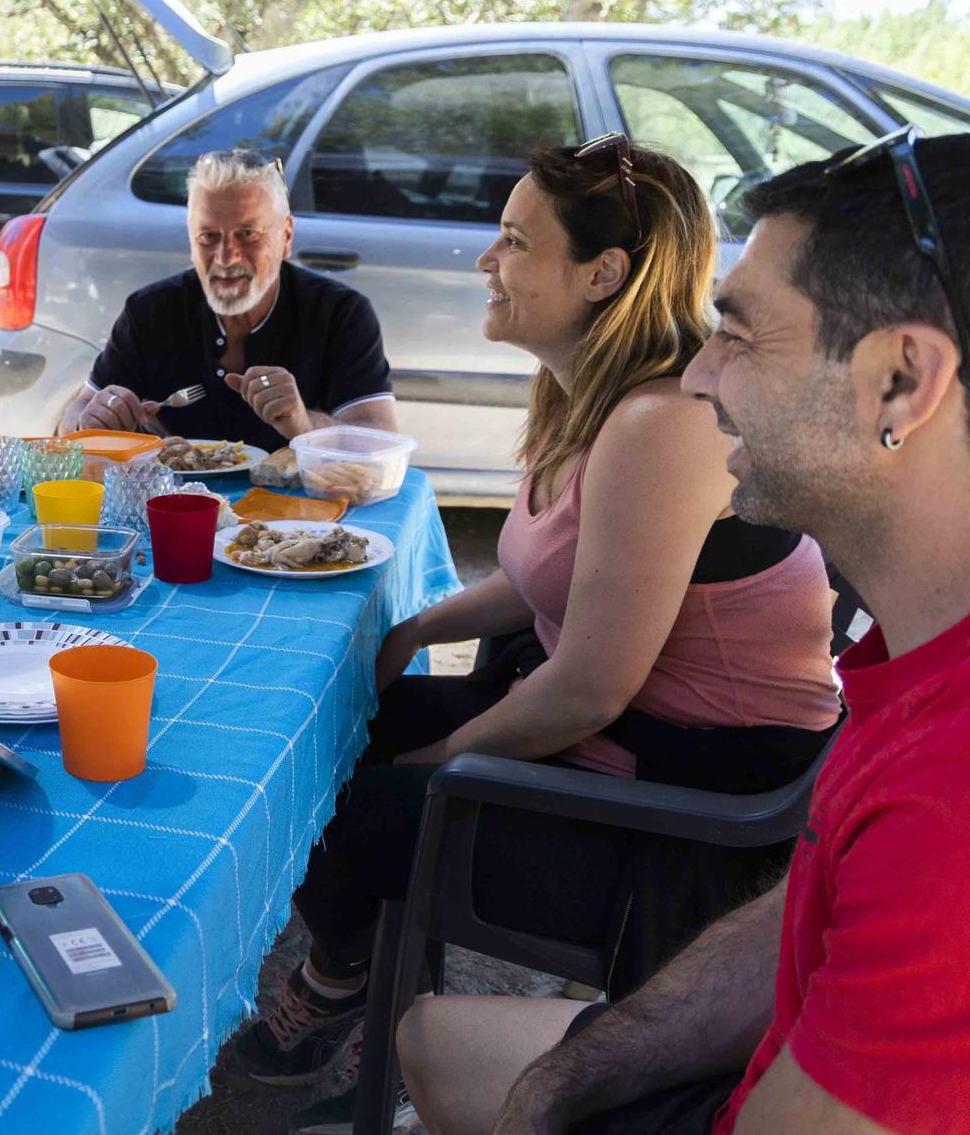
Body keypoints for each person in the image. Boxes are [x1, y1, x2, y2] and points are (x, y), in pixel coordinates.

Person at [232, 137, 842, 1103]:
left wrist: (444, 765)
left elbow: (593, 684)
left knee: (349, 802)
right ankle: (352, 974)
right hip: (617, 736)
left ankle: (344, 991)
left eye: (514, 241)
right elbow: (549, 577)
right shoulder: (587, 390)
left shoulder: (661, 420)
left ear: (602, 273)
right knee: (324, 735)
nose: (487, 260)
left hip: (697, 810)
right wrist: (414, 631)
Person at [397, 130, 970, 1135]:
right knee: (433, 1044)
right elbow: (806, 909)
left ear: (898, 381)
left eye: (739, 335)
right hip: (757, 1043)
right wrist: (571, 1075)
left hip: (686, 821)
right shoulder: (905, 667)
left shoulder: (944, 802)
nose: (697, 377)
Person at [57, 149, 397, 449]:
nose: (226, 256)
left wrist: (304, 425)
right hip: (171, 510)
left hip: (301, 516)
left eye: (247, 234)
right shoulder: (150, 312)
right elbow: (73, 418)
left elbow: (380, 436)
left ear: (286, 236)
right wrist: (90, 422)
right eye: (208, 236)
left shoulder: (339, 313)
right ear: (191, 241)